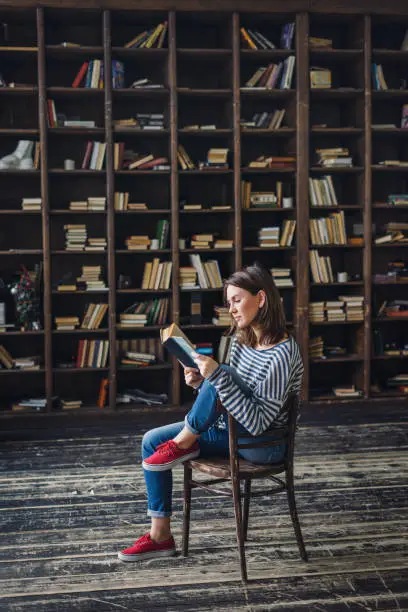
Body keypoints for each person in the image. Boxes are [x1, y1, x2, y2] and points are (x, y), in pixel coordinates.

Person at [118, 263, 303, 562]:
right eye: (228, 302)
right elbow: (232, 396)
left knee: (222, 372)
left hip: (262, 445)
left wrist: (218, 377)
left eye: (237, 300)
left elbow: (257, 422)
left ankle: (181, 444)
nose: (231, 309)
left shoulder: (283, 354)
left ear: (262, 299)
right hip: (232, 431)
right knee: (151, 440)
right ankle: (160, 537)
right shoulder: (243, 342)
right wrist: (203, 382)